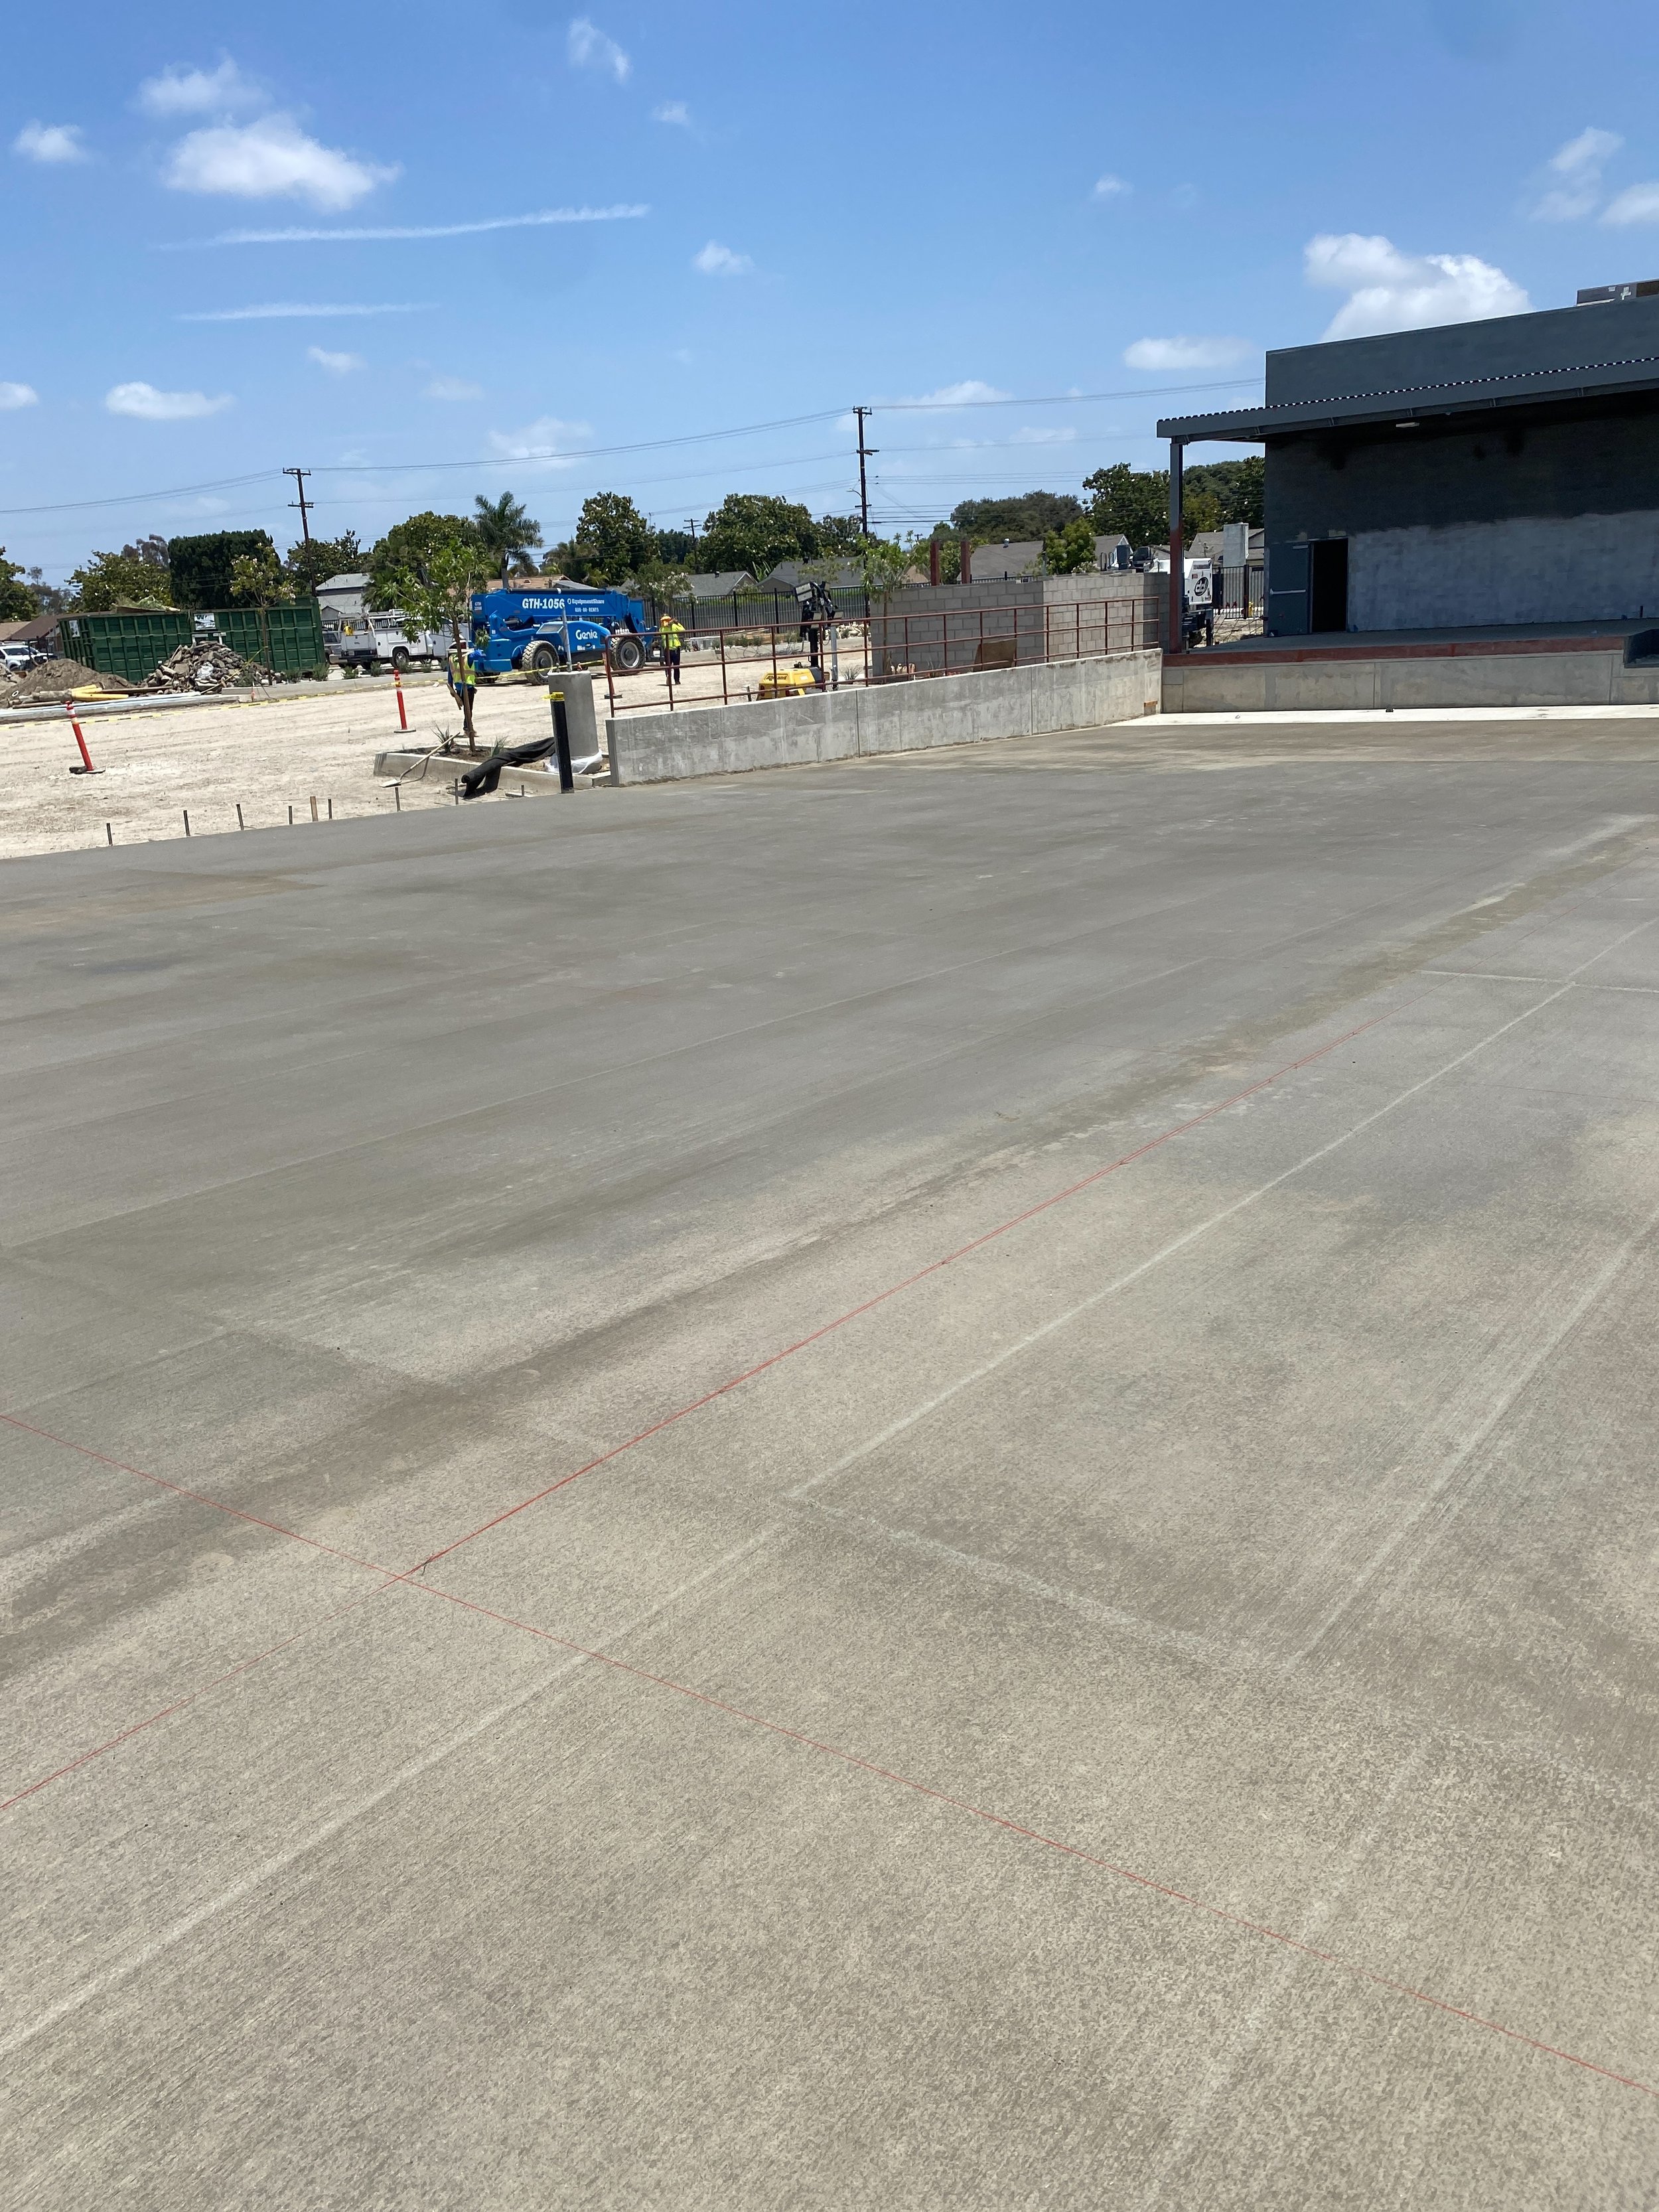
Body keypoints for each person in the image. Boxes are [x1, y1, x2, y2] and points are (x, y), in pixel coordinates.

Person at [660, 607, 686, 686]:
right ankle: (677, 681)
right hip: (675, 649)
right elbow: (683, 630)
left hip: (667, 649)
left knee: (668, 666)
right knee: (676, 666)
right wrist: (677, 623)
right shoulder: (673, 626)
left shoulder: (661, 629)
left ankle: (668, 676)